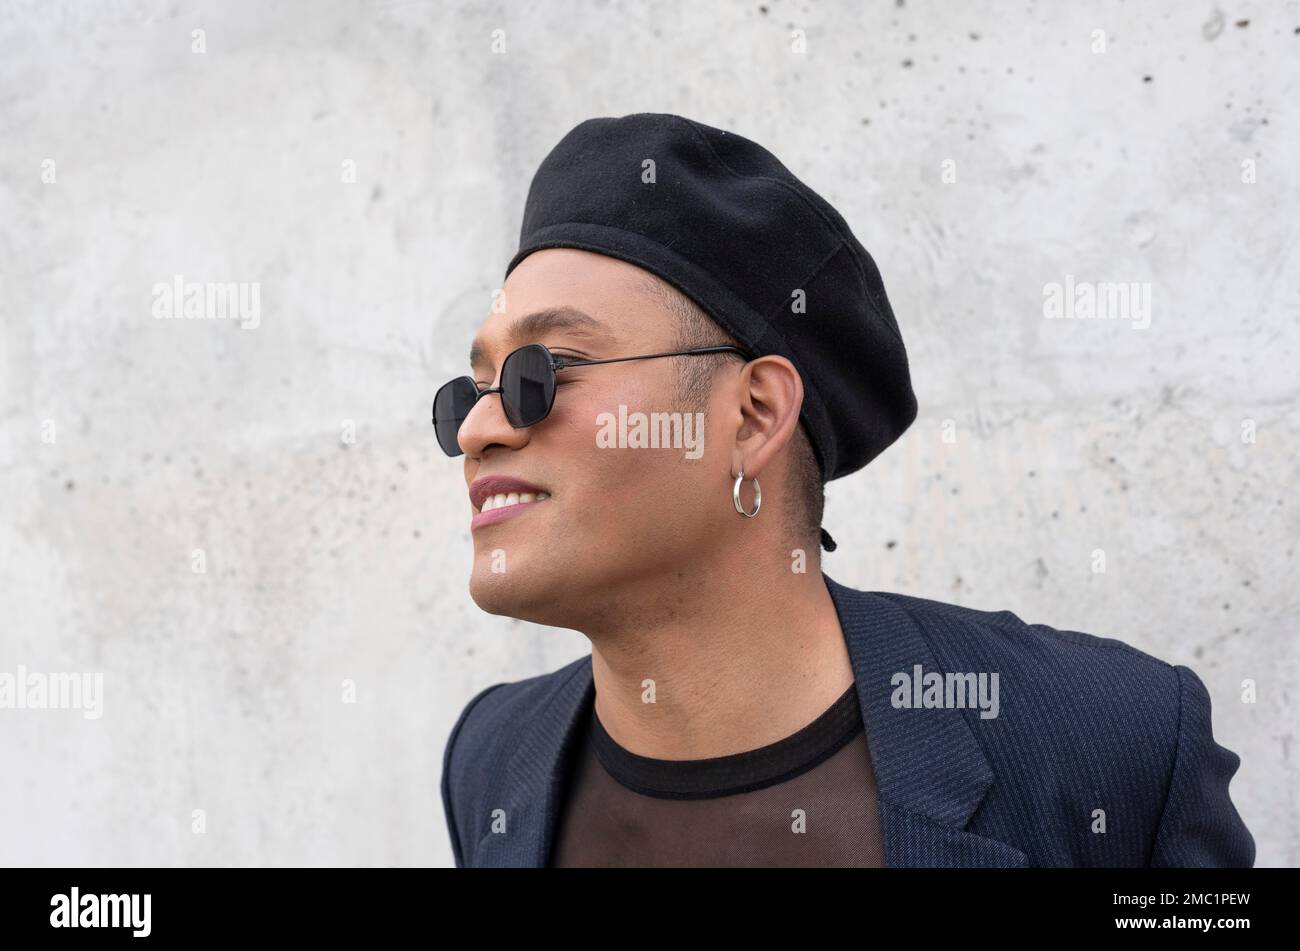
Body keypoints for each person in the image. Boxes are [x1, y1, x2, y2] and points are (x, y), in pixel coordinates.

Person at [437, 113, 1254, 867]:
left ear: (754, 416)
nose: (479, 431)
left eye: (542, 372)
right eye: (471, 391)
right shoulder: (493, 759)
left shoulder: (1107, 740)